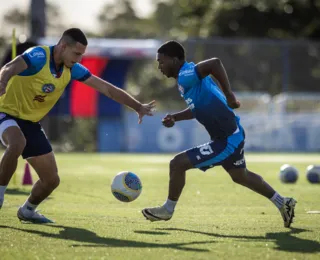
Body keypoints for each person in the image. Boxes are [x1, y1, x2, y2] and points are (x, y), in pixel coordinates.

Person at [0, 28, 155, 223]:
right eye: (77, 54)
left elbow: (107, 89)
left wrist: (138, 106)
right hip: (4, 111)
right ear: (63, 46)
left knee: (51, 181)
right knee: (17, 143)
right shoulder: (38, 56)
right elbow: (9, 67)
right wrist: (3, 81)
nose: (79, 59)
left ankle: (28, 210)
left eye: (82, 55)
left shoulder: (72, 69)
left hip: (30, 122)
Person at [142, 40, 296, 228]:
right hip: (232, 134)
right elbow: (197, 109)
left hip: (227, 140)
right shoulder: (186, 80)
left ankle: (168, 209)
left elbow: (215, 62)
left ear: (174, 60)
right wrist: (175, 117)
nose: (159, 66)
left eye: (161, 61)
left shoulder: (186, 75)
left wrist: (230, 95)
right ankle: (283, 203)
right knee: (240, 176)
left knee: (177, 164)